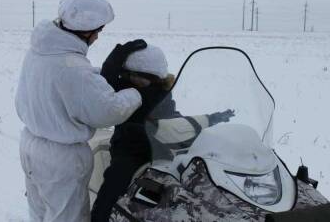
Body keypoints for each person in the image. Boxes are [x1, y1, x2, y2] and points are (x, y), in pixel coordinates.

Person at [15, 0, 147, 222]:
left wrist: (98, 78)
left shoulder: (40, 50)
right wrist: (136, 93)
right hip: (61, 159)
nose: (97, 37)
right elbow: (108, 111)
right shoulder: (73, 67)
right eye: (98, 30)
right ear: (85, 29)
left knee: (40, 213)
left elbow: (66, 85)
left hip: (31, 145)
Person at [91, 44, 235, 222]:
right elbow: (106, 84)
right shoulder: (123, 89)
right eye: (132, 76)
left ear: (157, 78)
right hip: (130, 151)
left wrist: (210, 119)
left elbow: (173, 119)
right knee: (114, 184)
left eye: (142, 79)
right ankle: (100, 217)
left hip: (162, 148)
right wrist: (117, 55)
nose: (137, 83)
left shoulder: (161, 93)